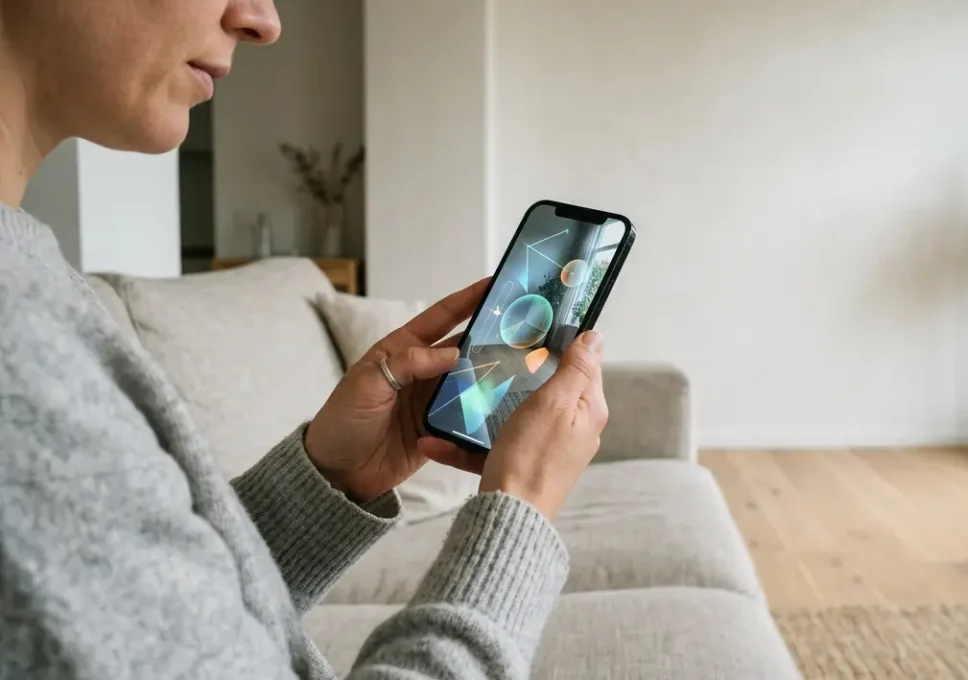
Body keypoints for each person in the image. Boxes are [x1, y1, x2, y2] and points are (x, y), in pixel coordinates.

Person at [0, 1, 610, 678]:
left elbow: (166, 627)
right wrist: (518, 512)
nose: (264, 19)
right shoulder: (17, 351)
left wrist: (328, 482)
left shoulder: (32, 285)